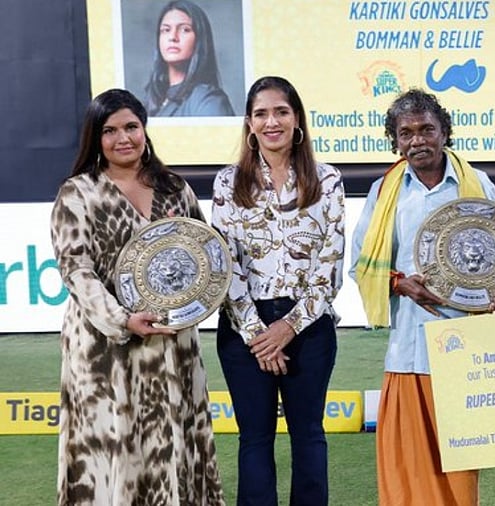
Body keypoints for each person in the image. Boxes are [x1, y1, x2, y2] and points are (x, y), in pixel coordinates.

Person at [50, 88, 224, 505]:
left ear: (145, 129)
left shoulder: (175, 189)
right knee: (108, 452)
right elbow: (75, 268)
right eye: (109, 130)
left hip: (171, 343)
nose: (122, 138)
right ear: (96, 137)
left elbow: (206, 254)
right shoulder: (78, 193)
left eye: (131, 126)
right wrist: (122, 319)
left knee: (176, 446)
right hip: (103, 349)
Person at [350, 88, 495, 505]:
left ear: (444, 133)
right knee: (405, 471)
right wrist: (398, 282)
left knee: (459, 469)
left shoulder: (477, 185)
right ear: (395, 140)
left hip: (463, 350)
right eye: (406, 133)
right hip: (407, 350)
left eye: (426, 130)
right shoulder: (386, 191)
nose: (417, 140)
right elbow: (360, 263)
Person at [211, 76, 345, 505]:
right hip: (243, 332)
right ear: (249, 124)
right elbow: (224, 263)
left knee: (309, 437)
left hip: (308, 328)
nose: (272, 122)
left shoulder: (328, 180)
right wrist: (257, 335)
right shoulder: (227, 183)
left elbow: (331, 265)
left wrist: (286, 329)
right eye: (262, 113)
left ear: (297, 118)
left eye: (281, 111)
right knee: (254, 439)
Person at [143, 0, 234, 117]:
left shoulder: (208, 100)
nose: (172, 37)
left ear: (199, 40)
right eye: (166, 30)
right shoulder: (152, 99)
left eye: (184, 29)